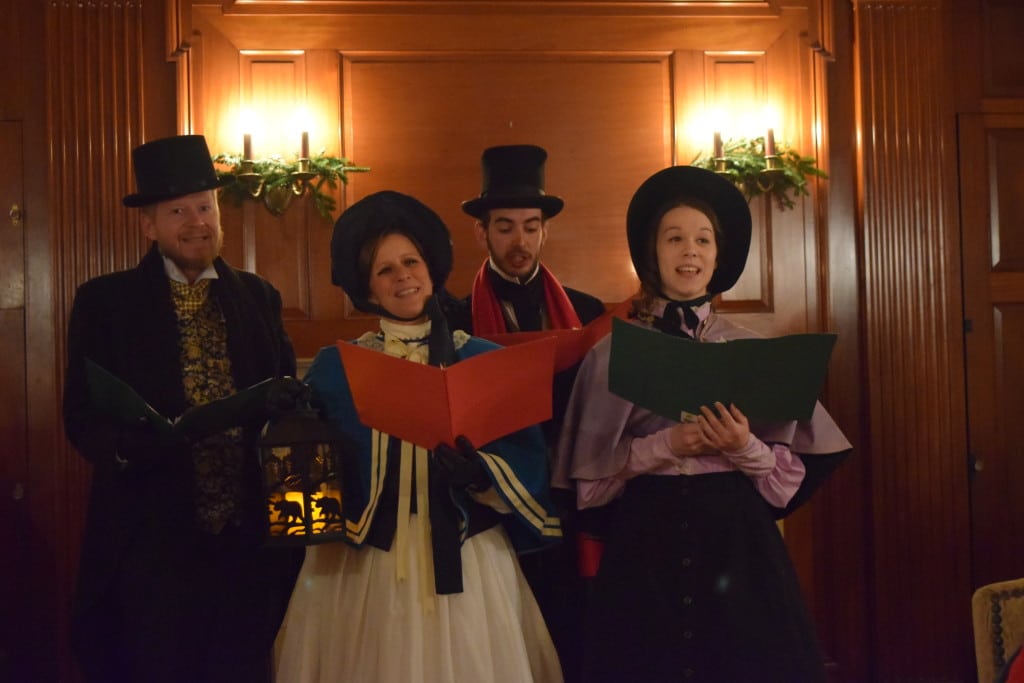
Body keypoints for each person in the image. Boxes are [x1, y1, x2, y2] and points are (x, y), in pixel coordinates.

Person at [553, 165, 853, 683]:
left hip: (738, 548)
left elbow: (786, 486)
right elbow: (589, 489)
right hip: (646, 548)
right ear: (653, 253)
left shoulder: (756, 350)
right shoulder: (610, 354)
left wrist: (742, 446)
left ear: (718, 256)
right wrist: (665, 444)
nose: (689, 251)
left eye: (702, 239)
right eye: (674, 239)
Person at [274, 190, 564, 683]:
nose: (402, 275)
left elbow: (528, 461)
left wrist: (481, 474)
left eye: (410, 261)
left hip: (466, 555)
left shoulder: (483, 359)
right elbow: (306, 484)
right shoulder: (333, 368)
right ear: (367, 287)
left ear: (431, 269)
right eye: (384, 269)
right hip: (363, 562)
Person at [62, 134, 303, 682]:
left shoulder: (259, 296)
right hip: (151, 542)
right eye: (178, 211)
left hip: (246, 543)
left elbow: (286, 396)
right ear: (149, 225)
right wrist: (126, 446)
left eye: (204, 207)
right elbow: (81, 413)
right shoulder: (105, 301)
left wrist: (288, 402)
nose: (196, 222)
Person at [457, 143, 606, 683]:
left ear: (546, 231)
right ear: (482, 233)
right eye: (505, 227)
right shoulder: (452, 318)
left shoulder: (587, 312)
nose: (519, 241)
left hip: (568, 495)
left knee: (571, 630)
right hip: (492, 500)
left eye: (530, 226)